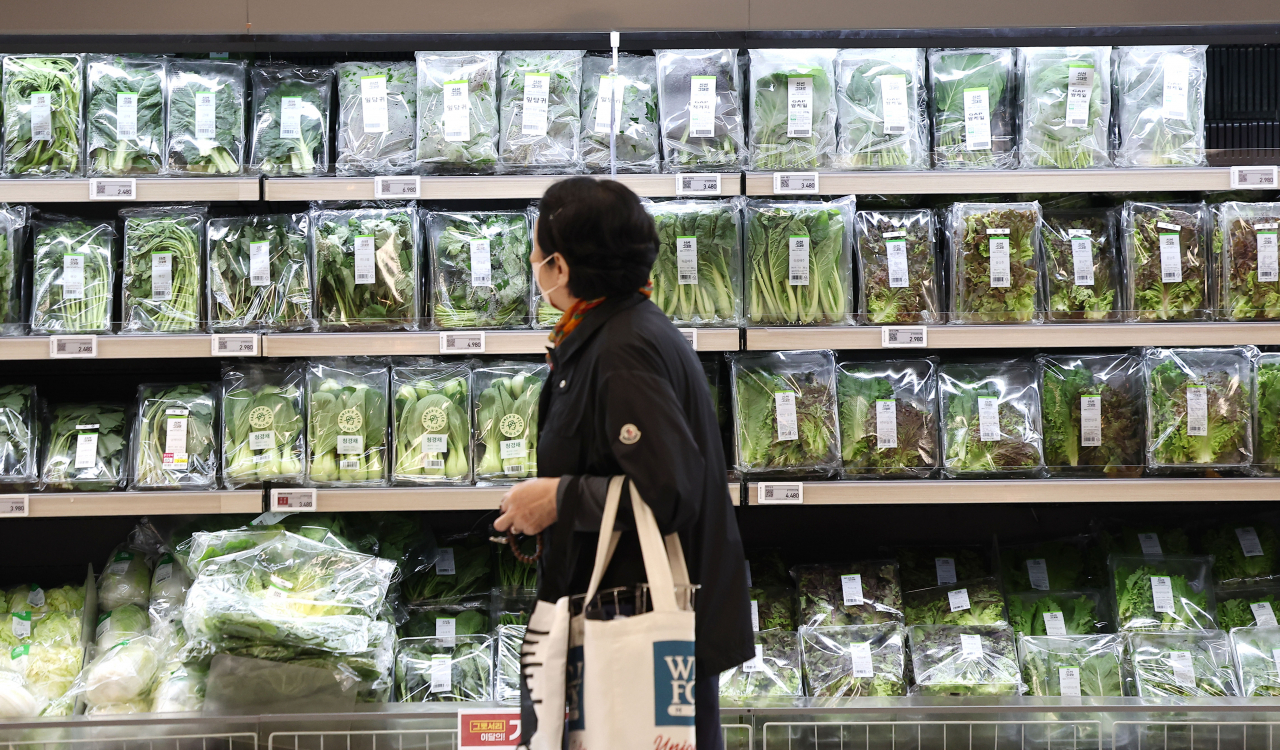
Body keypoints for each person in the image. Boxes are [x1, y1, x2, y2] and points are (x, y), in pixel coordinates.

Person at [494, 177, 752, 749]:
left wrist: (556, 499)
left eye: (536, 252)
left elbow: (671, 491)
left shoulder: (622, 351)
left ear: (560, 267)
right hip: (632, 618)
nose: (532, 262)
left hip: (640, 628)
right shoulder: (617, 328)